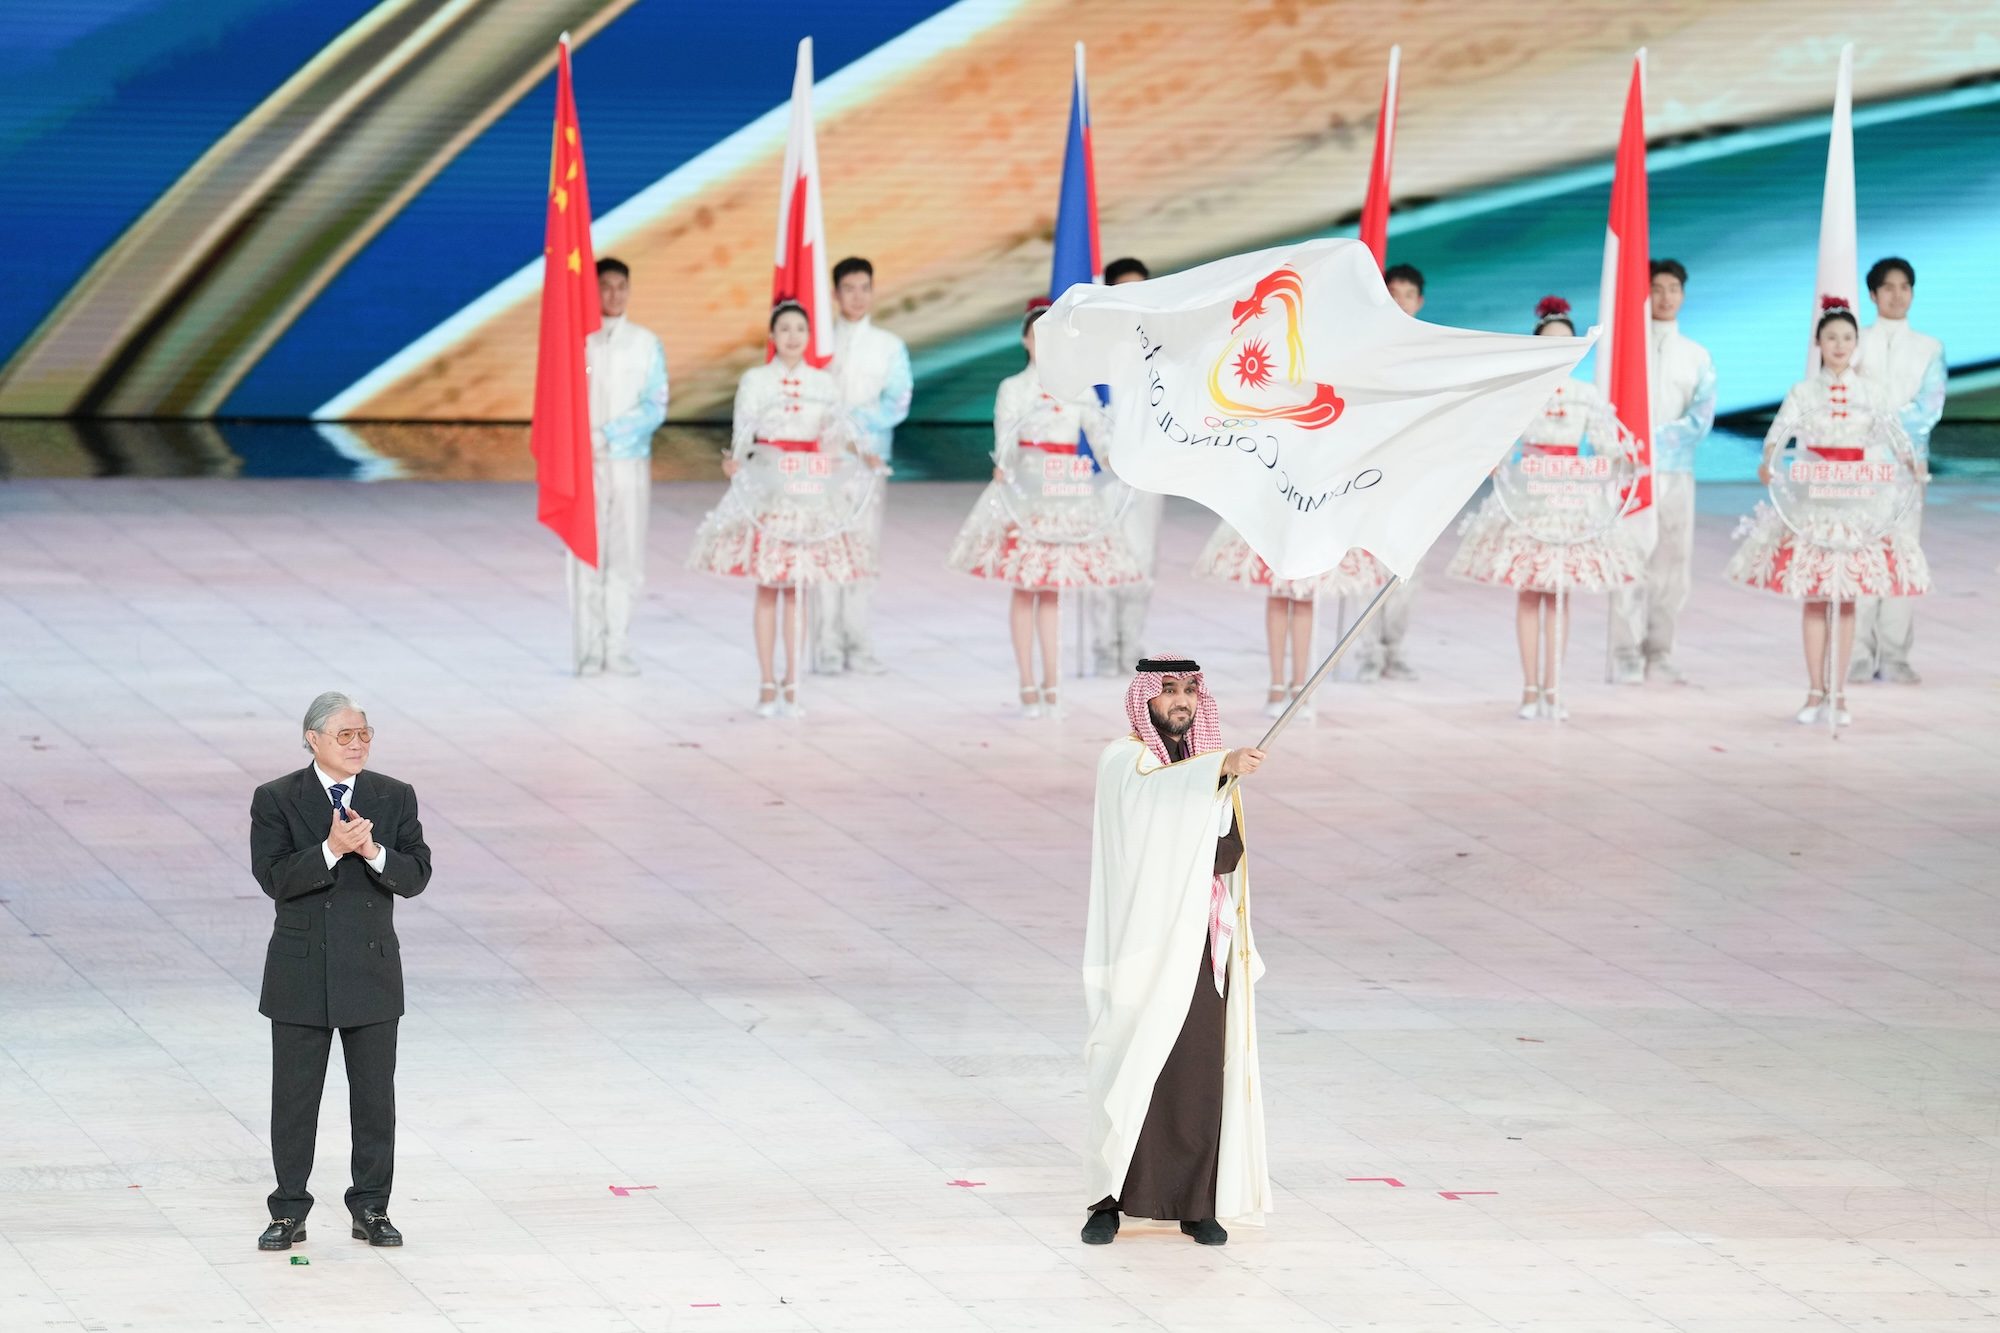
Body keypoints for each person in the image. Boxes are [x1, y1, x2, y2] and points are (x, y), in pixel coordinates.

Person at [1082, 656, 1270, 1247]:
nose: (1182, 700)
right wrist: (1219, 768)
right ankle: (1109, 1200)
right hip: (1142, 945)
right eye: (1169, 690)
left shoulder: (1207, 771)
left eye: (1191, 689)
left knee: (1194, 1071)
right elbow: (1152, 799)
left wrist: (1219, 777)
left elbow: (1225, 852)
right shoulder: (1124, 760)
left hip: (1198, 946)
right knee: (1130, 1062)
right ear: (1146, 700)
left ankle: (1196, 1203)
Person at [251, 693, 431, 1252]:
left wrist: (374, 851)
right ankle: (288, 1209)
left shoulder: (394, 796)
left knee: (375, 1097)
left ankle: (371, 1207)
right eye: (345, 736)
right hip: (300, 971)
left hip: (370, 969)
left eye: (364, 734)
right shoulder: (277, 798)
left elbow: (417, 873)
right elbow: (273, 878)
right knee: (295, 1097)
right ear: (313, 738)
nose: (357, 745)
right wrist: (329, 849)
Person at [1725, 297, 1930, 726]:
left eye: (1847, 338)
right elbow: (1778, 435)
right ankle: (1815, 690)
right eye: (1832, 337)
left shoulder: (1872, 392)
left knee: (1848, 595)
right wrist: (1768, 461)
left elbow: (1896, 436)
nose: (1839, 345)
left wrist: (1912, 462)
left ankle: (1839, 695)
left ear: (1857, 343)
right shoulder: (1803, 392)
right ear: (1818, 341)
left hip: (1858, 505)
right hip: (1815, 505)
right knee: (1817, 597)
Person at [1446, 297, 1644, 720]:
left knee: (1558, 593)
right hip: (1528, 499)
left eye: (1567, 344)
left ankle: (1553, 688)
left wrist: (1625, 459)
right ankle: (1529, 688)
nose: (1561, 350)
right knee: (1529, 590)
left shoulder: (1587, 395)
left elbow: (1608, 445)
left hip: (1570, 500)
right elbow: (1503, 441)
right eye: (1552, 344)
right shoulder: (1523, 390)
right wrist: (1494, 460)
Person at [948, 300, 1144, 716]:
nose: (1045, 344)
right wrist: (1004, 468)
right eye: (1037, 335)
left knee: (1053, 589)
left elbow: (1100, 436)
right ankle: (1026, 686)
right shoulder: (1012, 388)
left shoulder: (1080, 389)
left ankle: (1052, 688)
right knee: (1025, 586)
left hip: (1067, 493)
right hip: (1027, 493)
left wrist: (1115, 460)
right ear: (1025, 340)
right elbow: (1005, 441)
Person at [687, 300, 872, 717]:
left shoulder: (824, 384)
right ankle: (767, 684)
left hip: (807, 489)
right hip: (769, 487)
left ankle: (793, 684)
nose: (792, 337)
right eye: (784, 329)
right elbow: (743, 434)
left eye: (799, 330)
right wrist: (736, 462)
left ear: (809, 337)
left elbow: (833, 437)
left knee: (798, 587)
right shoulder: (755, 380)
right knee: (768, 585)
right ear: (772, 337)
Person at [1610, 258, 1715, 684]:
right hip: (1630, 475)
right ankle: (1624, 654)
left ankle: (1660, 651)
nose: (1666, 296)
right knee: (1629, 560)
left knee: (1673, 563)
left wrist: (1653, 441)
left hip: (1675, 474)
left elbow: (1701, 417)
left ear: (1683, 294)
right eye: (1657, 288)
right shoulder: (1623, 350)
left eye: (1673, 288)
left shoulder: (1696, 355)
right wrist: (1632, 447)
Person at [568, 257, 669, 676]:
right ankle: (588, 649)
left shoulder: (646, 343)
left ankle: (618, 646)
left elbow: (655, 404)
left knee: (625, 557)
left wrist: (608, 435)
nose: (613, 295)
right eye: (605, 287)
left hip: (627, 463)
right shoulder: (577, 342)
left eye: (620, 286)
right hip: (582, 467)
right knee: (585, 559)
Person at [1850, 257, 1946, 685]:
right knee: (1859, 555)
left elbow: (1928, 408)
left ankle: (1895, 655)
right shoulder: (1854, 343)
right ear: (1872, 295)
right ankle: (1855, 653)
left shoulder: (1930, 348)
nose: (1896, 295)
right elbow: (1844, 402)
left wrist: (1879, 423)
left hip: (1906, 468)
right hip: (1860, 468)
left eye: (1904, 287)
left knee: (1902, 556)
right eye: (1887, 288)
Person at [814, 256, 911, 676]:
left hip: (868, 463)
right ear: (834, 293)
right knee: (826, 550)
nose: (857, 296)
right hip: (824, 463)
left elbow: (898, 400)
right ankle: (827, 647)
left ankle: (859, 641)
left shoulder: (889, 346)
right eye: (849, 288)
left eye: (864, 287)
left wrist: (853, 426)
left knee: (863, 552)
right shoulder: (818, 344)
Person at [1192, 525, 1388, 719]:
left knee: (1304, 593)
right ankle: (1276, 686)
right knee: (1278, 587)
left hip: (1314, 514)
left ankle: (1299, 687)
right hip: (1285, 510)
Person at [1351, 261, 1429, 682]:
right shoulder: (1362, 351)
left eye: (1407, 294)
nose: (1400, 301)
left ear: (1420, 302)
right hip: (1368, 475)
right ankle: (1366, 653)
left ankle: (1394, 650)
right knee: (1367, 564)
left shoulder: (1430, 353)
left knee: (1405, 569)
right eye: (1392, 292)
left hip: (1412, 477)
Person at [1091, 257, 1164, 675]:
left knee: (1140, 559)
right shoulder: (1095, 347)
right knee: (1103, 556)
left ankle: (1131, 645)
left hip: (1146, 469)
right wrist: (1105, 449)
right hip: (1103, 470)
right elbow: (1085, 405)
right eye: (1123, 289)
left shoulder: (1160, 349)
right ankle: (1103, 649)